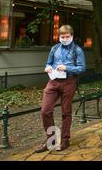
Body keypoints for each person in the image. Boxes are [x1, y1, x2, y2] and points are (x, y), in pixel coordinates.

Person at [35, 25, 86, 153]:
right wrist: (48, 67)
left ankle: (65, 139)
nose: (64, 39)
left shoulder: (77, 50)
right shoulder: (55, 48)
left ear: (72, 36)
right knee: (45, 111)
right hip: (53, 81)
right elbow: (49, 62)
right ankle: (51, 139)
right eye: (62, 37)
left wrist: (67, 68)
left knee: (66, 112)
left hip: (69, 82)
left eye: (67, 37)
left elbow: (82, 68)